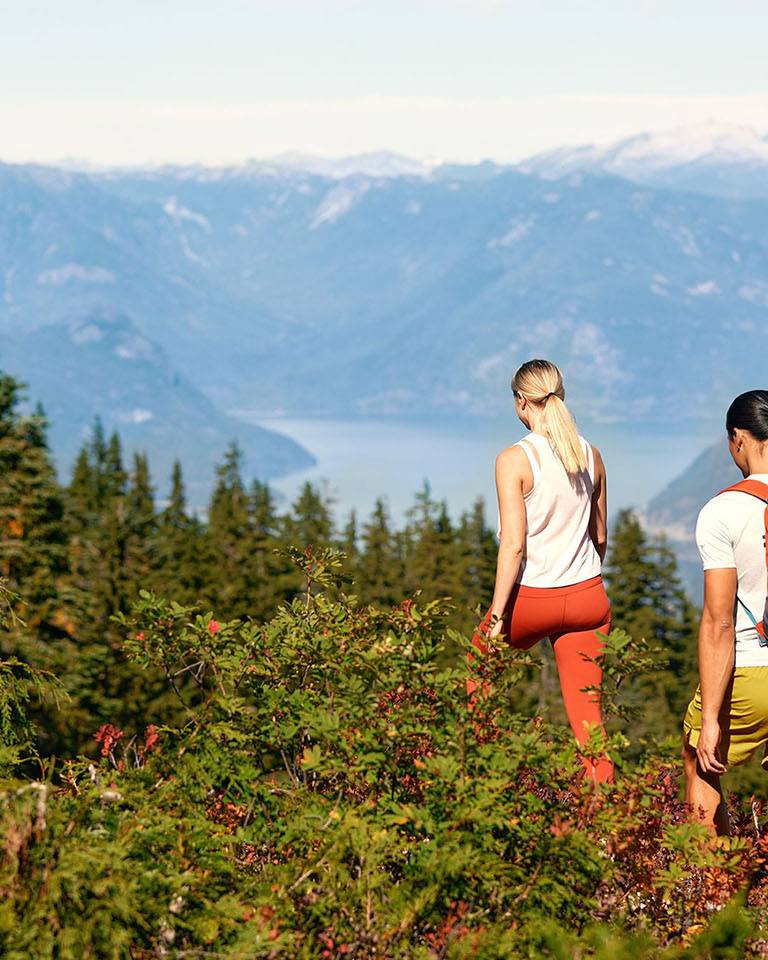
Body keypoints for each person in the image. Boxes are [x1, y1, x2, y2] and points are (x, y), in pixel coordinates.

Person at [469, 358, 613, 783]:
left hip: (535, 598)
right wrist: (581, 578)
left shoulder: (514, 459)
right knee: (590, 725)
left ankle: (478, 778)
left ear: (520, 402)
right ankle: (609, 829)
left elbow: (513, 545)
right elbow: (600, 537)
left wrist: (497, 616)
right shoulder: (591, 454)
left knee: (479, 672)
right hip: (588, 595)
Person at [683, 390, 768, 835]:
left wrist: (711, 718)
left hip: (753, 671)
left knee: (700, 760)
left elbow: (720, 622)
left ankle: (710, 896)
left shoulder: (724, 511)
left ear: (738, 439)